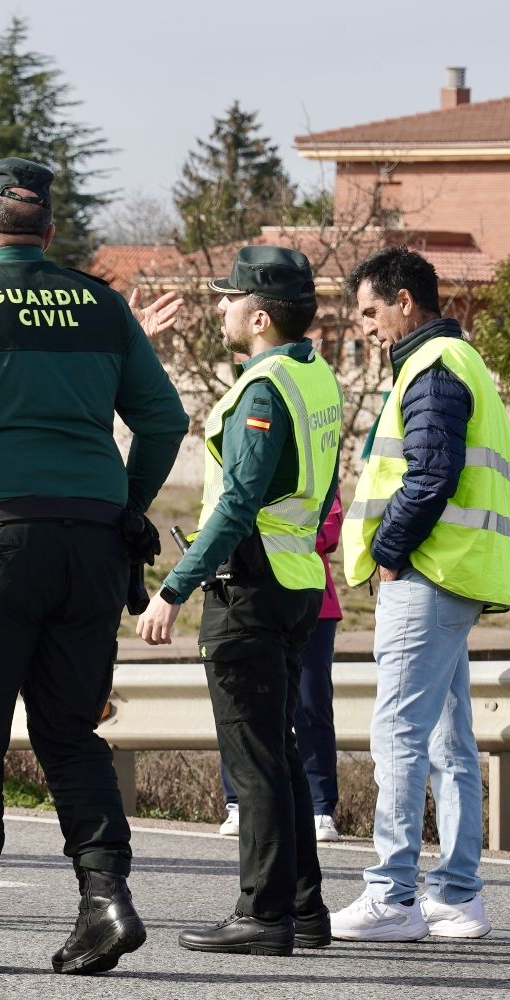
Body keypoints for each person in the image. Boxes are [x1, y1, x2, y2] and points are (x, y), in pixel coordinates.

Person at [0, 157, 189, 975]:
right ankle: (106, 900)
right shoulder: (100, 303)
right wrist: (120, 503)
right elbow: (164, 419)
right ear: (50, 234)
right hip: (91, 543)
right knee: (70, 732)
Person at [137, 245, 343, 957]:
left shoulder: (261, 390)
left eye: (229, 299)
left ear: (258, 317)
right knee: (281, 756)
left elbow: (237, 504)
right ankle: (306, 909)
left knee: (255, 762)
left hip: (249, 590)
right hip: (299, 584)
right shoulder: (317, 376)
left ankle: (262, 914)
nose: (221, 307)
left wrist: (172, 587)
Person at [331, 247, 510, 942]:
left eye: (371, 312)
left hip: (427, 573)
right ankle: (457, 896)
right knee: (448, 741)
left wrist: (385, 552)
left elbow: (429, 476)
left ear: (405, 302)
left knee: (399, 736)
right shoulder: (460, 362)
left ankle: (391, 895)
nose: (367, 328)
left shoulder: (432, 370)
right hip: (457, 574)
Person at [217, 494, 346, 843]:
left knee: (310, 705)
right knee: (244, 702)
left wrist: (265, 535)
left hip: (309, 600)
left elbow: (330, 528)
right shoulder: (244, 458)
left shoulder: (313, 457)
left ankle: (320, 809)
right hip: (249, 595)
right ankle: (238, 803)